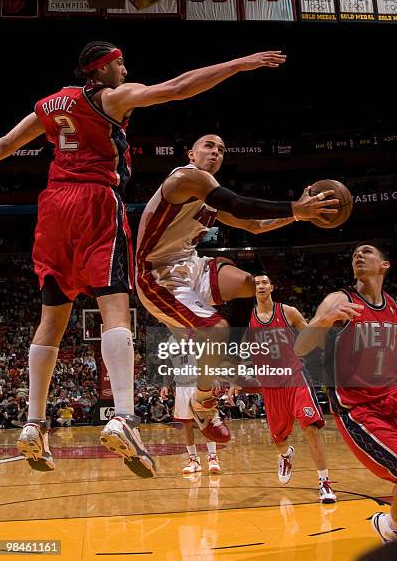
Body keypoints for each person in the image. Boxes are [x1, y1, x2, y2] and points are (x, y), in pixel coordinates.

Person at [0, 41, 288, 476]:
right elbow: (177, 88)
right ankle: (125, 418)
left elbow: (2, 145)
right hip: (95, 202)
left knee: (51, 318)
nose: (125, 68)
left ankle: (34, 424)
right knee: (115, 307)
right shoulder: (109, 97)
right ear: (101, 69)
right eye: (119, 63)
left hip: (52, 207)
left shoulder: (47, 106)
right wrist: (239, 64)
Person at [136, 133, 339, 444]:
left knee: (253, 284)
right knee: (216, 330)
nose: (216, 152)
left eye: (221, 149)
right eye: (208, 146)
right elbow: (241, 205)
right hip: (157, 276)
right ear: (191, 154)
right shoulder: (186, 178)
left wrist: (298, 216)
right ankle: (204, 403)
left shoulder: (209, 198)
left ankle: (231, 358)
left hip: (191, 264)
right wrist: (297, 208)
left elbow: (254, 225)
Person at [294, 243, 397, 540]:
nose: (358, 255)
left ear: (384, 264)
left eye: (366, 252)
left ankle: (390, 527)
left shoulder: (391, 305)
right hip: (359, 408)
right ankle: (389, 527)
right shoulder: (339, 299)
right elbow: (300, 347)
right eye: (354, 254)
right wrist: (323, 321)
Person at [246, 273, 336, 503]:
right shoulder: (249, 318)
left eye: (265, 282)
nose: (261, 285)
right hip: (270, 383)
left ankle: (324, 483)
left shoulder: (288, 312)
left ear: (272, 286)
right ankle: (286, 456)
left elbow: (310, 335)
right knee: (279, 438)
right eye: (256, 283)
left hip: (294, 376)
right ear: (252, 290)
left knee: (310, 427)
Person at [160, 337, 222, 476]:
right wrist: (165, 384)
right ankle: (193, 460)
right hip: (181, 386)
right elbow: (168, 363)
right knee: (186, 424)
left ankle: (213, 457)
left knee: (206, 421)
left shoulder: (197, 332)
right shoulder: (170, 339)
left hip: (199, 383)